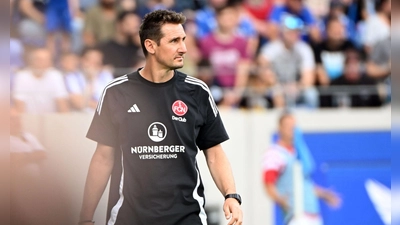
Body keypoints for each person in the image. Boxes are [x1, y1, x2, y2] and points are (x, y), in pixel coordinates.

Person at [79, 9, 243, 225]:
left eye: (183, 40)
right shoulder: (116, 93)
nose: (183, 48)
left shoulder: (198, 92)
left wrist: (231, 195)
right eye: (174, 41)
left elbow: (214, 154)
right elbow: (102, 158)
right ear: (151, 46)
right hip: (129, 218)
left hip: (186, 218)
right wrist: (85, 218)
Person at [262, 112, 341, 225]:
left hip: (313, 214)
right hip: (296, 215)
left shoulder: (297, 152)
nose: (292, 129)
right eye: (288, 126)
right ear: (280, 128)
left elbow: (304, 184)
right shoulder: (275, 153)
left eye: (294, 126)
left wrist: (324, 194)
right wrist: (280, 199)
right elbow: (268, 183)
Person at [199, 1, 251, 108]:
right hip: (214, 90)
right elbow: (204, 70)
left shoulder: (241, 42)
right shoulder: (207, 42)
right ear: (217, 18)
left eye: (231, 16)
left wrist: (236, 93)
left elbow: (243, 68)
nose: (227, 20)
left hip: (235, 92)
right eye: (224, 16)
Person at [258, 15, 318, 108]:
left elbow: (308, 78)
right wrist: (277, 87)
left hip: (297, 88)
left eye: (295, 31)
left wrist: (297, 86)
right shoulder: (271, 48)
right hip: (276, 87)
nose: (293, 34)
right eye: (290, 31)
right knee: (274, 93)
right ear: (283, 32)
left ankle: (311, 120)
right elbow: (263, 68)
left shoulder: (304, 49)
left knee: (311, 93)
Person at [12, 48, 70, 113]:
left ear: (50, 62)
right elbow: (19, 105)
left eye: (46, 60)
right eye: (38, 60)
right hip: (28, 119)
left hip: (52, 119)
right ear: (31, 61)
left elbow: (62, 103)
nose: (42, 63)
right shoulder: (21, 76)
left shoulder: (56, 76)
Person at [99, 10, 144, 78]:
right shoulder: (105, 47)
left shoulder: (137, 48)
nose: (134, 27)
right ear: (119, 24)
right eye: (130, 23)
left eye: (137, 24)